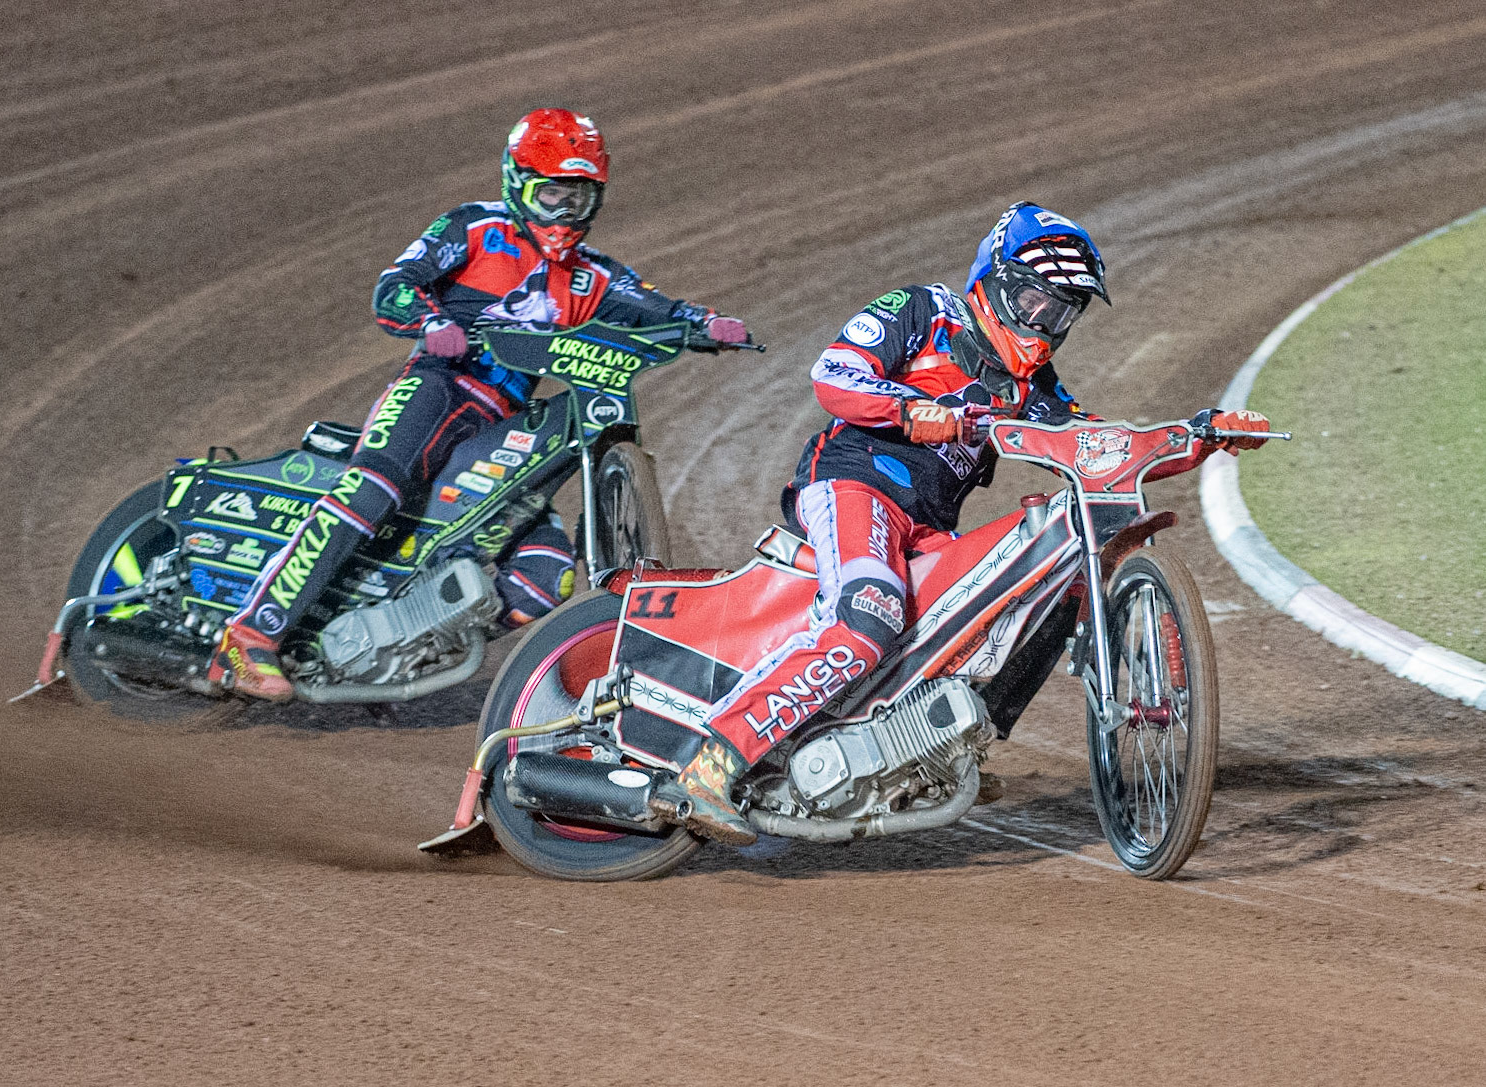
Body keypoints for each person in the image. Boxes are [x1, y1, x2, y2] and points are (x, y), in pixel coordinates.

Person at [651, 202, 1270, 844]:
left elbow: (1097, 448)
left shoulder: (1034, 388)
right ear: (996, 284)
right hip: (852, 486)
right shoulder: (921, 311)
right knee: (870, 613)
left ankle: (959, 743)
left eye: (1062, 312)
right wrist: (914, 409)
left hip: (927, 529)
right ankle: (710, 763)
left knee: (1032, 595)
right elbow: (833, 375)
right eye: (1035, 302)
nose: (1046, 325)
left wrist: (1202, 435)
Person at [210, 108, 749, 700]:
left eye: (580, 198)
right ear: (519, 185)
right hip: (437, 385)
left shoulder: (594, 277)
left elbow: (658, 307)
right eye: (552, 196)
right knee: (372, 489)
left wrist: (707, 323)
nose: (566, 213)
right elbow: (395, 284)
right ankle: (251, 632)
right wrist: (431, 319)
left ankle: (405, 652)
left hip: (498, 423)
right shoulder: (475, 229)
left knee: (544, 577)